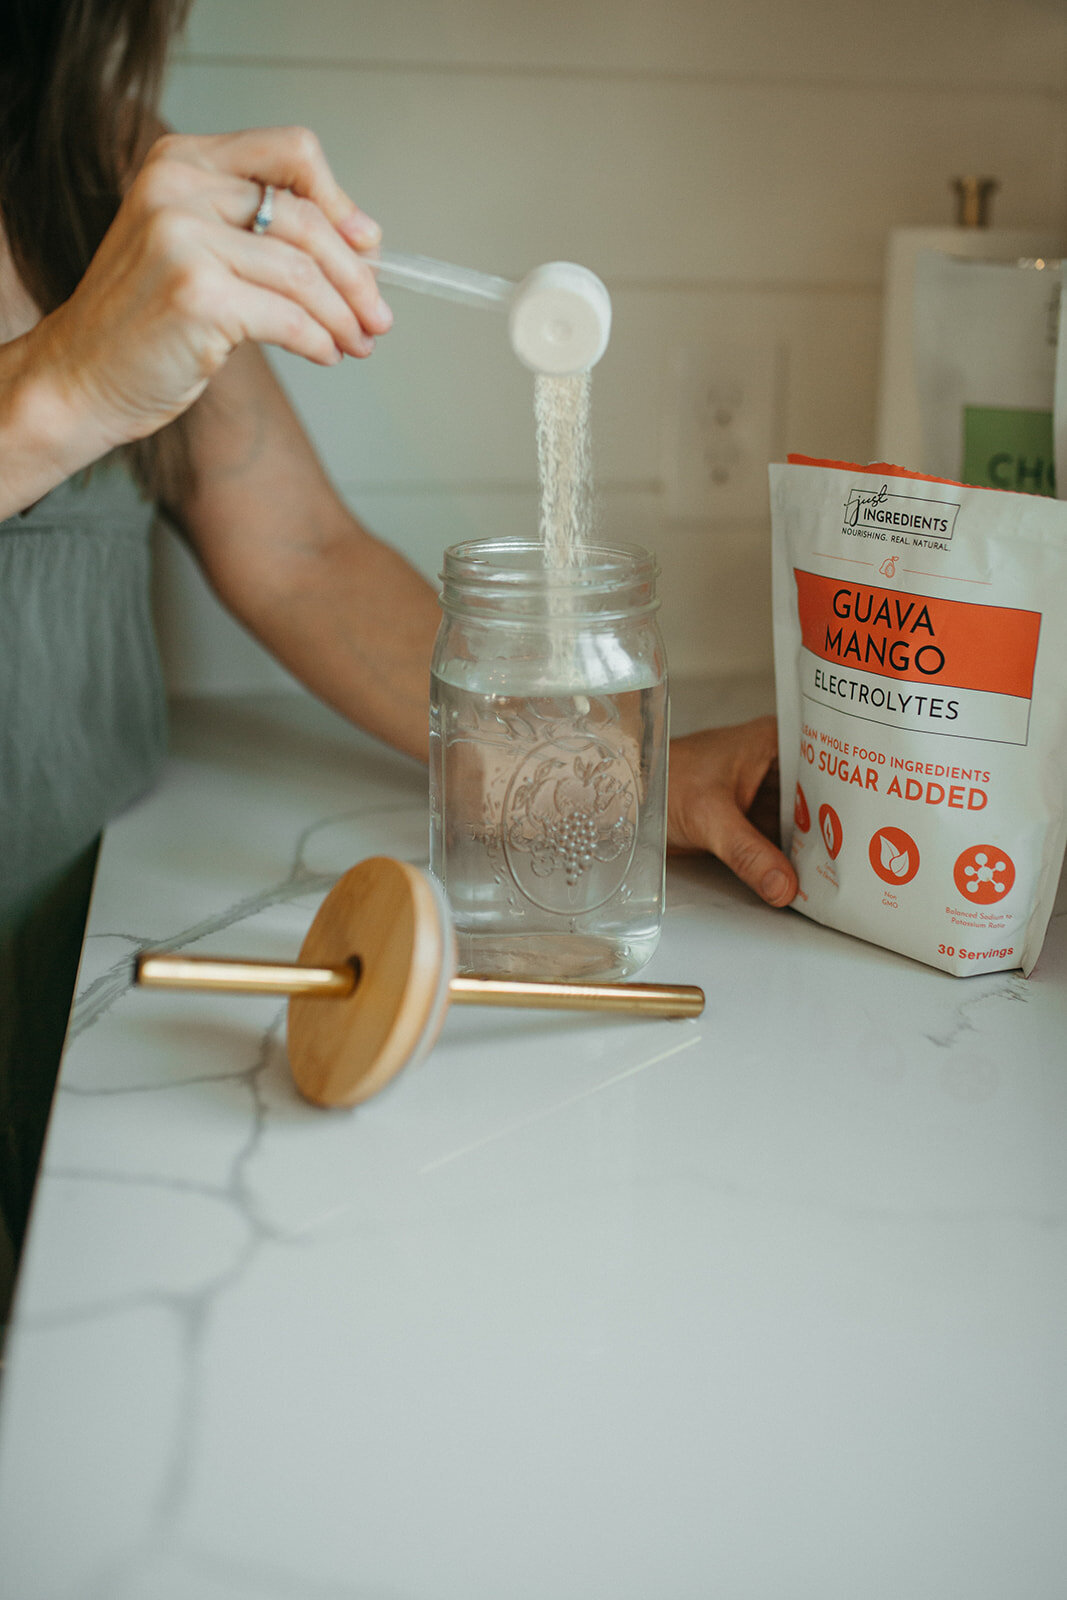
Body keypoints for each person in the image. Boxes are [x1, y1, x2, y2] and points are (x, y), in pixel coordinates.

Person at [0, 0, 797, 1302]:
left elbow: (303, 552)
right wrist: (62, 384)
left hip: (85, 947)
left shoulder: (90, 165)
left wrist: (617, 773)